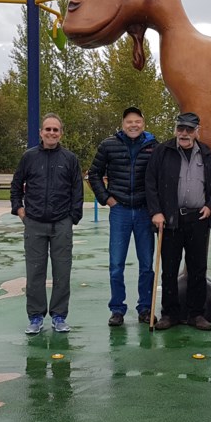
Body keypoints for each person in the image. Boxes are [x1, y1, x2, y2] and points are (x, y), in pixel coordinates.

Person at [10, 113, 84, 335]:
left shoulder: (70, 159)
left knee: (62, 272)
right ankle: (35, 317)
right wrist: (20, 210)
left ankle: (59, 316)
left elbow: (77, 190)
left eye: (55, 130)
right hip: (34, 223)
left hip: (61, 223)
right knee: (35, 273)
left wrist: (73, 217)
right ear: (41, 132)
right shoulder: (29, 157)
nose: (51, 133)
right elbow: (16, 186)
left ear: (61, 133)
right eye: (47, 129)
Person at [146, 112, 211, 331]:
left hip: (198, 218)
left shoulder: (206, 153)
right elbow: (150, 183)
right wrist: (156, 212)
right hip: (170, 219)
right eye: (180, 129)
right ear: (176, 129)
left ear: (197, 131)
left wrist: (210, 205)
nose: (184, 133)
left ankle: (196, 314)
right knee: (169, 269)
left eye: (189, 129)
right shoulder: (162, 151)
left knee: (197, 268)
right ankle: (170, 314)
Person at [88, 106, 159, 327]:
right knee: (116, 263)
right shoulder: (108, 145)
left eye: (137, 121)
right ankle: (117, 309)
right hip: (119, 211)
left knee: (146, 264)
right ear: (122, 124)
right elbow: (94, 174)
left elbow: (160, 177)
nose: (133, 125)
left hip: (144, 212)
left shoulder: (154, 147)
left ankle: (145, 308)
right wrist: (107, 199)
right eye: (129, 122)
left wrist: (156, 208)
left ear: (143, 123)